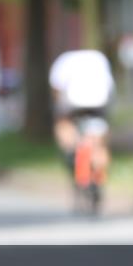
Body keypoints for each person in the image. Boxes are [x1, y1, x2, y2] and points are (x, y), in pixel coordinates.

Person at [48, 49, 115, 198]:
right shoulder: (99, 58)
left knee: (64, 126)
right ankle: (99, 176)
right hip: (100, 102)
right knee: (100, 143)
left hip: (73, 104)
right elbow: (110, 87)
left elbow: (57, 89)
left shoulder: (63, 61)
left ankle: (71, 151)